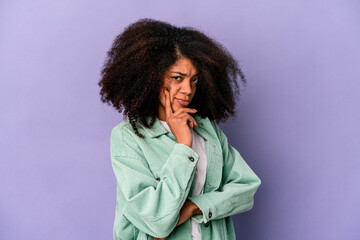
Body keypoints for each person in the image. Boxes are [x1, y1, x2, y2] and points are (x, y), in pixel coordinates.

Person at [98, 18, 261, 240]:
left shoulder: (206, 128)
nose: (188, 89)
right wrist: (184, 144)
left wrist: (195, 206)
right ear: (152, 79)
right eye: (177, 78)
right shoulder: (128, 137)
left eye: (194, 80)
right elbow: (157, 221)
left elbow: (246, 186)